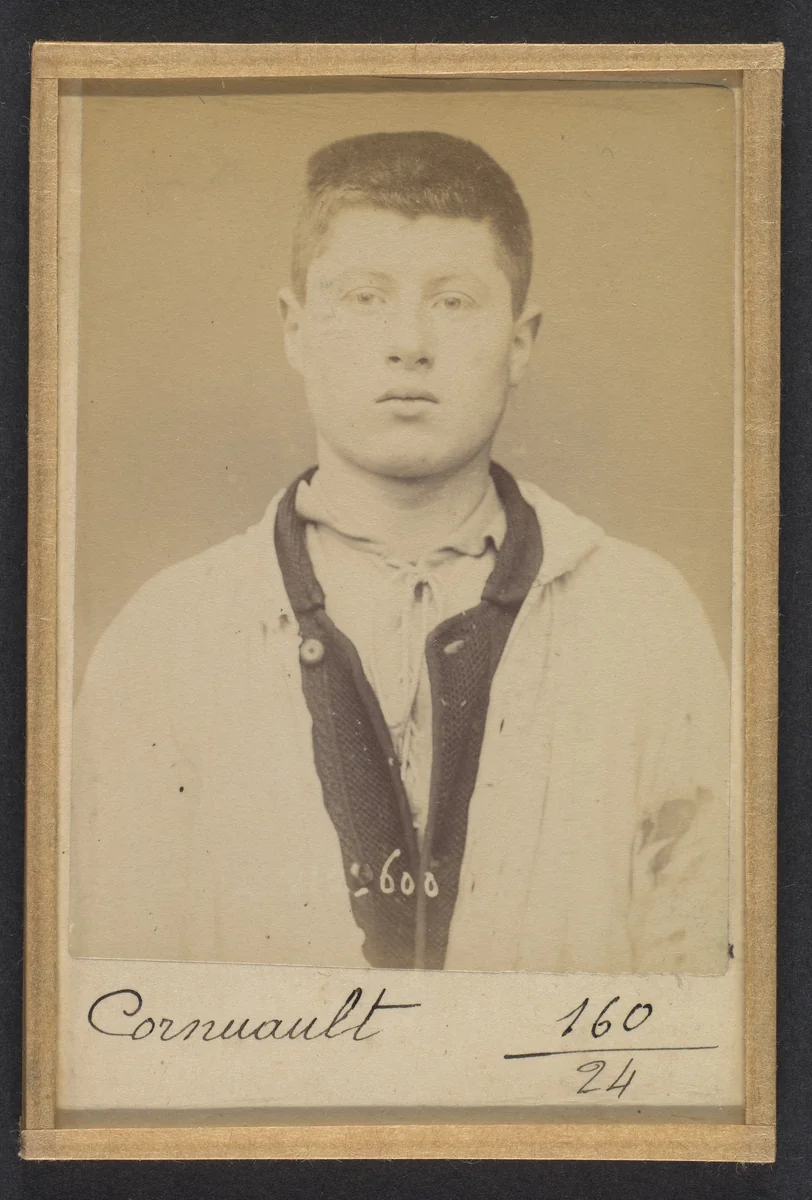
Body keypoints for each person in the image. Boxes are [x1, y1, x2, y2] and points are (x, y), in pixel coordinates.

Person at [71, 130, 730, 975]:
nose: (409, 342)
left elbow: (707, 997)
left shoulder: (645, 619)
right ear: (297, 329)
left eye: (454, 301)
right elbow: (116, 992)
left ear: (520, 341)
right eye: (364, 297)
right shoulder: (165, 637)